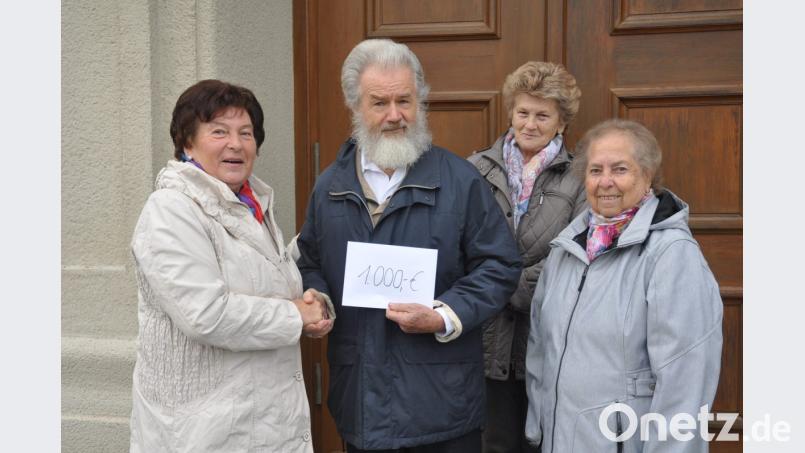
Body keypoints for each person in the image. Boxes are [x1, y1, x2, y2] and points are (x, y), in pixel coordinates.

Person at [295, 39, 522, 452]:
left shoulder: (460, 181)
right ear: (355, 106)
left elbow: (500, 264)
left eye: (405, 100)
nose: (395, 115)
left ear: (421, 102)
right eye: (379, 103)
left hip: (442, 407)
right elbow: (310, 260)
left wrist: (444, 315)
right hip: (360, 405)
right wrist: (320, 299)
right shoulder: (330, 186)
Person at [129, 79, 334, 453]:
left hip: (261, 423)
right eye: (219, 132)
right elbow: (206, 314)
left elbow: (265, 283)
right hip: (206, 433)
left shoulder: (250, 204)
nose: (236, 144)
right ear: (187, 143)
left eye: (246, 133)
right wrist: (295, 316)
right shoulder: (172, 209)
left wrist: (311, 301)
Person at [524, 119, 723, 452]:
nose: (605, 182)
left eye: (620, 169)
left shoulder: (670, 253)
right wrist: (538, 425)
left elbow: (686, 377)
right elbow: (540, 345)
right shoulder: (567, 248)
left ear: (647, 175)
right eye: (595, 170)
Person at [468, 61, 586, 453]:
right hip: (485, 342)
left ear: (562, 123)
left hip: (550, 341)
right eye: (523, 112)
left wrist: (499, 284)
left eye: (543, 115)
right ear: (510, 113)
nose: (530, 124)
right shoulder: (474, 170)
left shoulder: (581, 177)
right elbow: (459, 247)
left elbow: (577, 254)